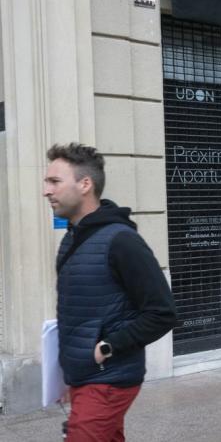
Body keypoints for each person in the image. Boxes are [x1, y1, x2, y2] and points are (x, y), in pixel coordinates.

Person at [43, 143, 177, 441]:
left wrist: (106, 348)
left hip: (108, 379)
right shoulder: (71, 239)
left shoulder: (121, 241)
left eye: (55, 181)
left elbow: (163, 312)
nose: (46, 190)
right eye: (46, 181)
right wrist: (69, 374)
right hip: (84, 378)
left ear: (85, 184)